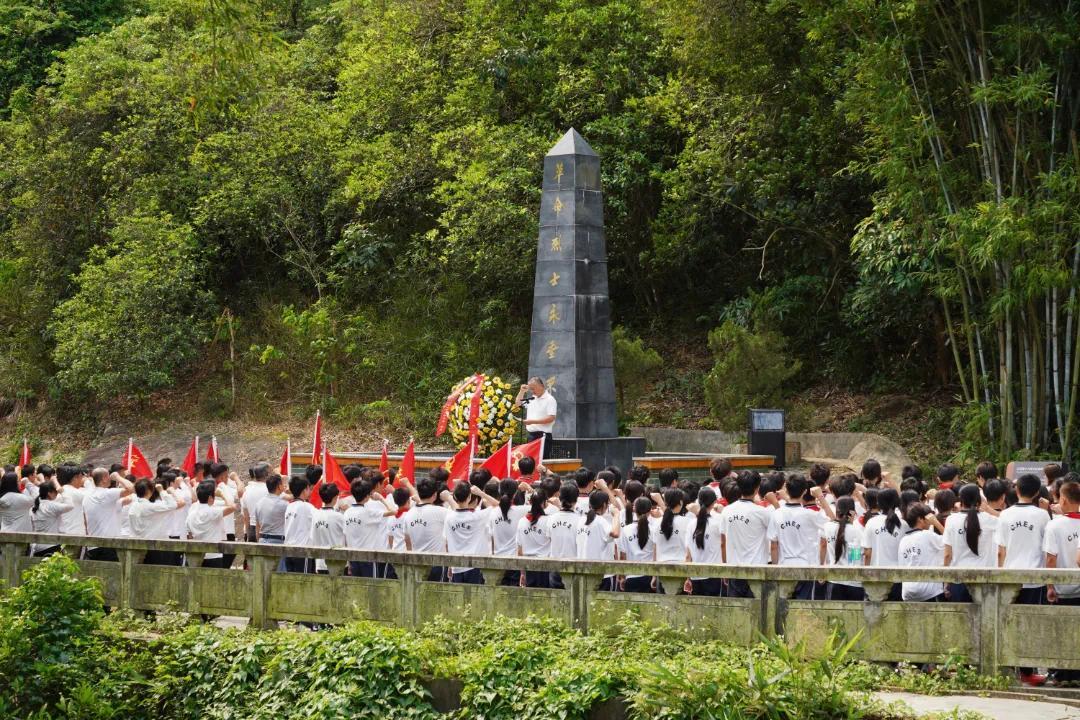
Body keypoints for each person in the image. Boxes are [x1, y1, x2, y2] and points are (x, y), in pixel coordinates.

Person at [995, 472, 1052, 685]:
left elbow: (1000, 551)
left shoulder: (1005, 515)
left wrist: (1000, 575)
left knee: (1009, 623)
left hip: (1010, 577)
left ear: (1016, 490)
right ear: (1037, 492)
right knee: (1029, 624)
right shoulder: (1042, 516)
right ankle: (1027, 671)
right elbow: (1047, 549)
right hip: (1034, 578)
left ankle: (1010, 668)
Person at [769, 473, 827, 599]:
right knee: (804, 607)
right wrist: (821, 497)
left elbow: (773, 546)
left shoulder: (776, 514)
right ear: (805, 491)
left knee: (784, 605)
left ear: (786, 489)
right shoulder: (810, 515)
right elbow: (832, 521)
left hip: (784, 566)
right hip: (806, 566)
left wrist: (775, 568)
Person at [1044, 480, 1080, 682]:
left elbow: (1051, 558)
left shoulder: (1054, 525)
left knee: (1060, 630)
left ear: (1063, 499)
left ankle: (1061, 674)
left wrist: (1050, 586)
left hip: (1062, 587)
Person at [943, 482, 1001, 600]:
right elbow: (1006, 519)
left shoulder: (951, 520)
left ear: (961, 500)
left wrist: (946, 581)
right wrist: (988, 509)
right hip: (983, 579)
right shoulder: (988, 519)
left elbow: (947, 555)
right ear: (979, 500)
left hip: (959, 579)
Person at [719, 472, 772, 598]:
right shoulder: (762, 512)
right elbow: (775, 537)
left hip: (734, 568)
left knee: (736, 608)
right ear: (757, 489)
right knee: (758, 607)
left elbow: (723, 543)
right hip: (757, 569)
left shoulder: (727, 511)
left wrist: (725, 567)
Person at [445, 483, 497, 584]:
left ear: (454, 497)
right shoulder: (477, 516)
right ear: (469, 497)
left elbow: (447, 543)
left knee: (459, 594)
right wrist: (481, 493)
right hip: (474, 565)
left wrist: (450, 565)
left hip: (456, 565)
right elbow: (498, 505)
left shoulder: (449, 518)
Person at [343, 478, 396, 578]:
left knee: (356, 586)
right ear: (367, 496)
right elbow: (393, 511)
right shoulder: (368, 513)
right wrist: (381, 499)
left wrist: (348, 561)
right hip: (368, 558)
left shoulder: (347, 512)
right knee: (372, 586)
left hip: (353, 558)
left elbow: (345, 537)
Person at [403, 477, 451, 581]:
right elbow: (460, 516)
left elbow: (407, 542)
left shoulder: (409, 514)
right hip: (437, 564)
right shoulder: (441, 512)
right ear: (435, 495)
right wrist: (449, 498)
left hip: (417, 562)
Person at [83, 467, 135, 561]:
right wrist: (118, 477)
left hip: (92, 545)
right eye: (108, 476)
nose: (110, 478)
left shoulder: (87, 495)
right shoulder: (107, 493)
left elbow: (85, 522)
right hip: (108, 544)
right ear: (104, 478)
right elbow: (132, 488)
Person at [897, 503, 946, 602]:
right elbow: (949, 542)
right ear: (920, 519)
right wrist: (936, 522)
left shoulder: (903, 540)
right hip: (929, 592)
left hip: (908, 592)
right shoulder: (928, 535)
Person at [820, 497, 865, 600]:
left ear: (837, 511)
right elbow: (855, 558)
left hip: (834, 580)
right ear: (852, 513)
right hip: (853, 582)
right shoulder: (856, 531)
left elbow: (822, 546)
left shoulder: (827, 527)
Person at [186, 480, 238, 568]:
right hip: (213, 555)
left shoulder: (191, 512)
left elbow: (189, 535)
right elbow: (232, 507)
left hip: (196, 555)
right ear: (210, 497)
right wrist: (222, 494)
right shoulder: (213, 512)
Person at [128, 478, 181, 564]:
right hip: (154, 547)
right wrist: (161, 491)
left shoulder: (133, 506)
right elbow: (172, 505)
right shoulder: (150, 507)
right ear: (149, 491)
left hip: (137, 545)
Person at [577, 490, 621, 590]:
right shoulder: (601, 521)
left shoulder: (581, 520)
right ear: (604, 505)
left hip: (584, 572)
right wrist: (616, 515)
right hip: (603, 574)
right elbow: (615, 533)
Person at [685, 487, 723, 596]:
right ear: (714, 503)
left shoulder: (691, 524)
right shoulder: (717, 523)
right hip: (713, 575)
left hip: (695, 576)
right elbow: (723, 545)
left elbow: (688, 556)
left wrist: (688, 578)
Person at [492, 478, 529, 586]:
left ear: (499, 492)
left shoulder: (492, 513)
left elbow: (491, 538)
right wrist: (530, 489)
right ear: (515, 493)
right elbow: (541, 505)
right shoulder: (521, 510)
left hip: (498, 560)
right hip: (514, 561)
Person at [620, 496, 658, 592]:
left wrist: (622, 577)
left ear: (634, 509)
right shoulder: (654, 529)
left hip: (631, 576)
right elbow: (656, 555)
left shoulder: (626, 529)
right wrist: (655, 575)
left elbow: (623, 556)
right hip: (649, 576)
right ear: (650, 511)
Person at [547, 483, 581, 588]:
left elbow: (549, 539)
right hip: (573, 566)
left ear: (559, 497)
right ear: (576, 500)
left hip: (555, 566)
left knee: (555, 597)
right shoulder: (580, 520)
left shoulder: (551, 518)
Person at [513, 377, 557, 458]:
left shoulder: (550, 399)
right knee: (530, 461)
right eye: (531, 389)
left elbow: (551, 418)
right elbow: (518, 404)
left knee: (541, 461)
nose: (532, 391)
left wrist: (532, 421)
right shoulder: (532, 399)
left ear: (541, 386)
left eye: (533, 388)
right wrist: (521, 391)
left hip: (543, 436)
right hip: (531, 436)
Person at [517, 489, 553, 587]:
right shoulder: (549, 521)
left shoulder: (522, 521)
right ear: (544, 502)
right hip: (545, 567)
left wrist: (522, 573)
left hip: (528, 567)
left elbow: (519, 551)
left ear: (530, 502)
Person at [308, 483, 346, 574]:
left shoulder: (316, 515)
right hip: (337, 561)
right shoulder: (339, 517)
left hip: (320, 561)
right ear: (335, 498)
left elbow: (312, 538)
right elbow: (347, 535)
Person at [30, 479, 73, 556]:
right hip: (51, 546)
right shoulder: (51, 506)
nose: (57, 493)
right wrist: (62, 491)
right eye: (55, 492)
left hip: (37, 548)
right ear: (49, 493)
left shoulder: (34, 508)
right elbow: (70, 506)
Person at [283, 475, 314, 573]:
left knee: (291, 580)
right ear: (305, 490)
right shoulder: (307, 506)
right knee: (303, 580)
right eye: (309, 489)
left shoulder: (289, 506)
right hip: (301, 551)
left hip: (288, 549)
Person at [254, 474, 288, 546]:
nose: (284, 485)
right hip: (278, 541)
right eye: (282, 484)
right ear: (279, 486)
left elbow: (257, 527)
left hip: (262, 540)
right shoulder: (284, 504)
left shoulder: (259, 503)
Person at [241, 462, 270, 542]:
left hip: (252, 529)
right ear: (266, 475)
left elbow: (246, 517)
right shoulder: (269, 490)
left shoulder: (247, 490)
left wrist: (247, 534)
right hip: (266, 529)